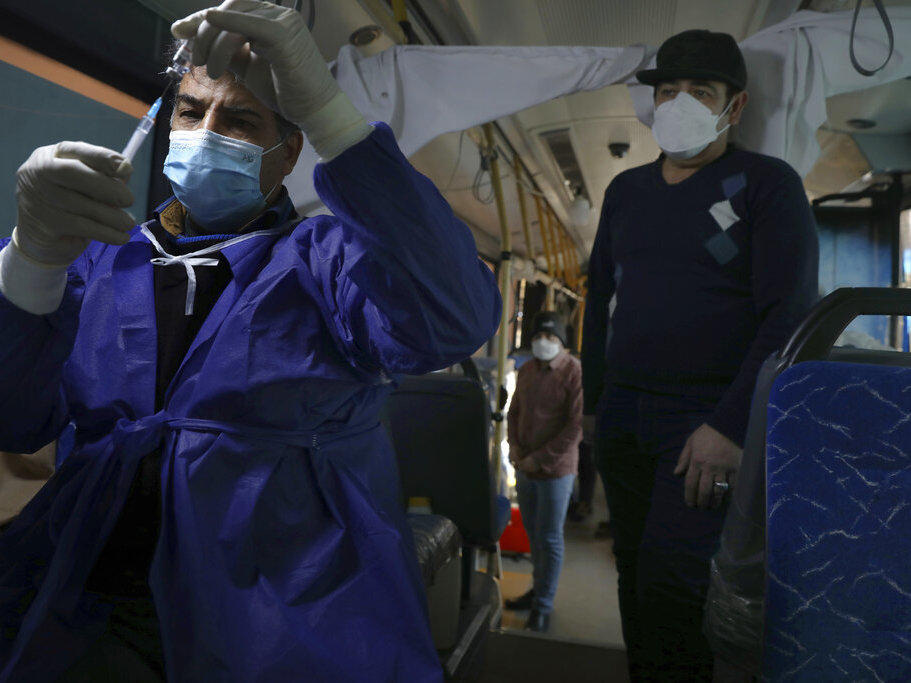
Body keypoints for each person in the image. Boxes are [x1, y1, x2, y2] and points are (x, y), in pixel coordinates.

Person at [0, 2, 500, 680]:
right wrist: (31, 257)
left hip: (278, 612)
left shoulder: (325, 260)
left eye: (239, 122)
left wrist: (330, 111)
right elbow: (14, 416)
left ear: (288, 149)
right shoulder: (97, 257)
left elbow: (454, 318)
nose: (206, 134)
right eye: (191, 111)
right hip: (93, 587)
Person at [581, 29, 818, 681]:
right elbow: (598, 297)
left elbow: (788, 314)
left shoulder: (764, 186)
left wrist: (730, 424)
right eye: (666, 90)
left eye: (699, 91)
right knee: (631, 570)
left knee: (675, 586)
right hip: (623, 414)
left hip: (703, 420)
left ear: (732, 107)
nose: (678, 102)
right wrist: (593, 407)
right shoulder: (625, 192)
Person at [505, 311, 583, 633]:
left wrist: (540, 459)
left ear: (562, 343)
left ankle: (543, 607)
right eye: (539, 337)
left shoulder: (574, 372)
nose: (543, 343)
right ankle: (536, 592)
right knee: (534, 537)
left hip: (555, 471)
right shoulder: (526, 370)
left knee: (549, 538)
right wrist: (515, 450)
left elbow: (575, 426)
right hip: (525, 467)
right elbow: (514, 412)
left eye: (551, 338)